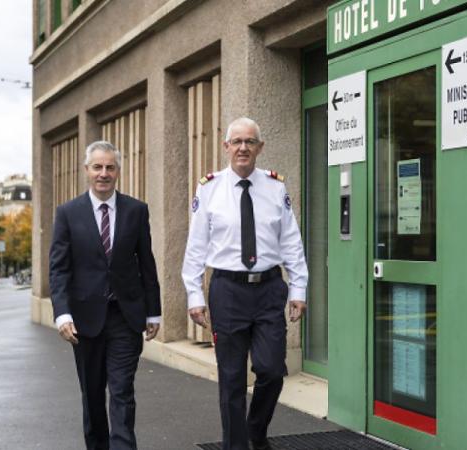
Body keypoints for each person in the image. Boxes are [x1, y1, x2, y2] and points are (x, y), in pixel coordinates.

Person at [182, 117, 308, 450]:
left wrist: (298, 289)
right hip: (228, 291)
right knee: (232, 378)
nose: (242, 148)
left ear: (259, 148)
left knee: (272, 370)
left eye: (249, 142)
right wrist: (194, 295)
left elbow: (291, 242)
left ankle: (256, 428)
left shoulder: (275, 187)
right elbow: (195, 246)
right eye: (236, 142)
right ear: (226, 147)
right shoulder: (209, 189)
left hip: (268, 289)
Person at [49, 141, 161, 450]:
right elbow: (59, 269)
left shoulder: (136, 210)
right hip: (85, 321)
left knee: (123, 389)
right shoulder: (68, 213)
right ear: (87, 171)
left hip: (125, 317)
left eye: (110, 167)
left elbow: (146, 263)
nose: (104, 173)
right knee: (93, 394)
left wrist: (154, 311)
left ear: (118, 171)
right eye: (97, 167)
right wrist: (63, 314)